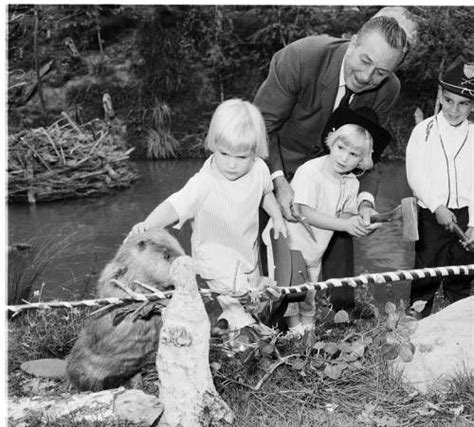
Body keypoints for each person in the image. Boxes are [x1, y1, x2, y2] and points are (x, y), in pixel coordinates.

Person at [254, 9, 417, 309]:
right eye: (365, 61)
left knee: (341, 293)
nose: (368, 77)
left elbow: (369, 152)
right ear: (352, 42)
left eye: (381, 72)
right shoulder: (302, 58)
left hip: (336, 182)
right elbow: (261, 125)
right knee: (273, 280)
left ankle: (337, 329)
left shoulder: (388, 90)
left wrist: (365, 202)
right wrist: (278, 183)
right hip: (276, 168)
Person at [128, 98, 287, 331]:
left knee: (252, 298)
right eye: (224, 154)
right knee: (236, 302)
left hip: (246, 251)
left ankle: (226, 327)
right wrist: (148, 224)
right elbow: (174, 205)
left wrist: (277, 217)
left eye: (241, 157)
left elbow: (266, 193)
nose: (232, 164)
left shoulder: (259, 169)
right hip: (214, 257)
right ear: (213, 145)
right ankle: (248, 336)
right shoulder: (204, 183)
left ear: (255, 151)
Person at [265, 107, 391, 334]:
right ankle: (295, 333)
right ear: (331, 143)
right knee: (290, 293)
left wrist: (362, 221)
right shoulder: (310, 171)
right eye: (341, 148)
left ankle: (308, 327)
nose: (344, 158)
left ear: (363, 160)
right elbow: (305, 212)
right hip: (289, 246)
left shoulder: (352, 182)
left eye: (353, 155)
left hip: (314, 250)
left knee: (309, 292)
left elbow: (345, 215)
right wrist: (344, 225)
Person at [406, 56, 474, 318]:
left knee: (461, 276)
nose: (454, 110)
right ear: (441, 96)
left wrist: (473, 224)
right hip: (432, 217)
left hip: (466, 217)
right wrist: (437, 206)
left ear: (471, 106)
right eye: (449, 101)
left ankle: (457, 330)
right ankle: (416, 323)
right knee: (426, 274)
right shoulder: (424, 131)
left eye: (463, 104)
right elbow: (415, 175)